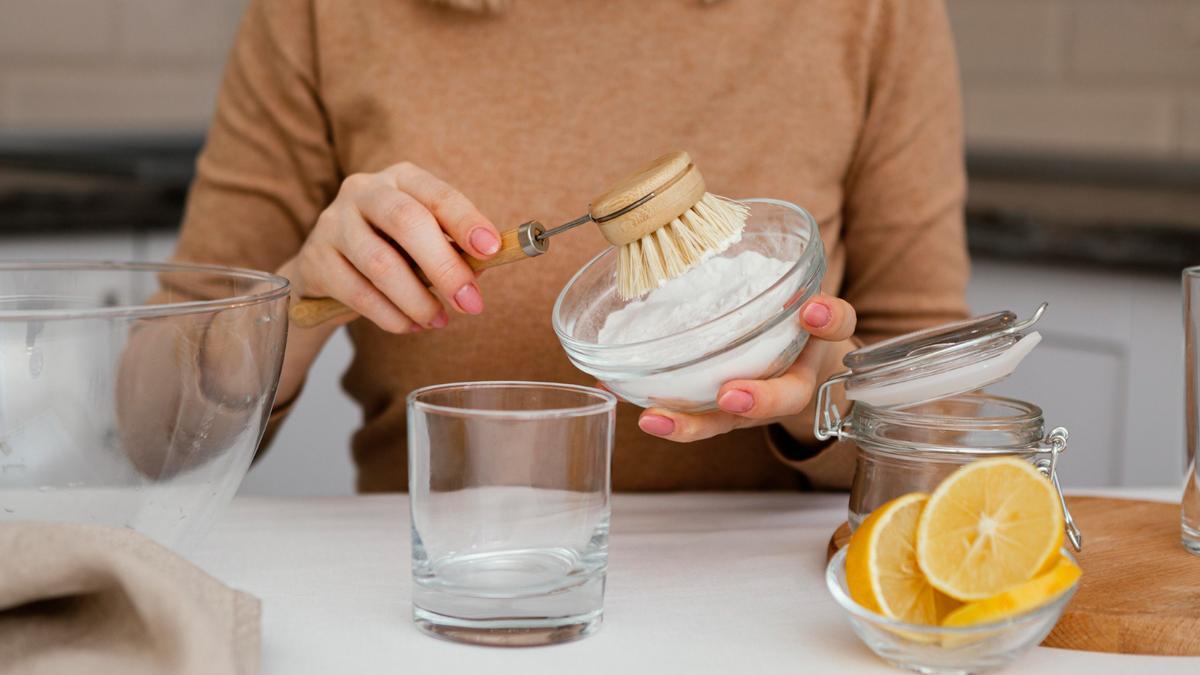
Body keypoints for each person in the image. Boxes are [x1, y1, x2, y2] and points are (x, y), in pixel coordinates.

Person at [167, 0, 969, 492]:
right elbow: (150, 437)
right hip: (447, 592)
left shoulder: (868, 10)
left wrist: (819, 390)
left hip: (773, 617)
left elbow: (947, 425)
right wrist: (293, 303)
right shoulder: (324, 11)